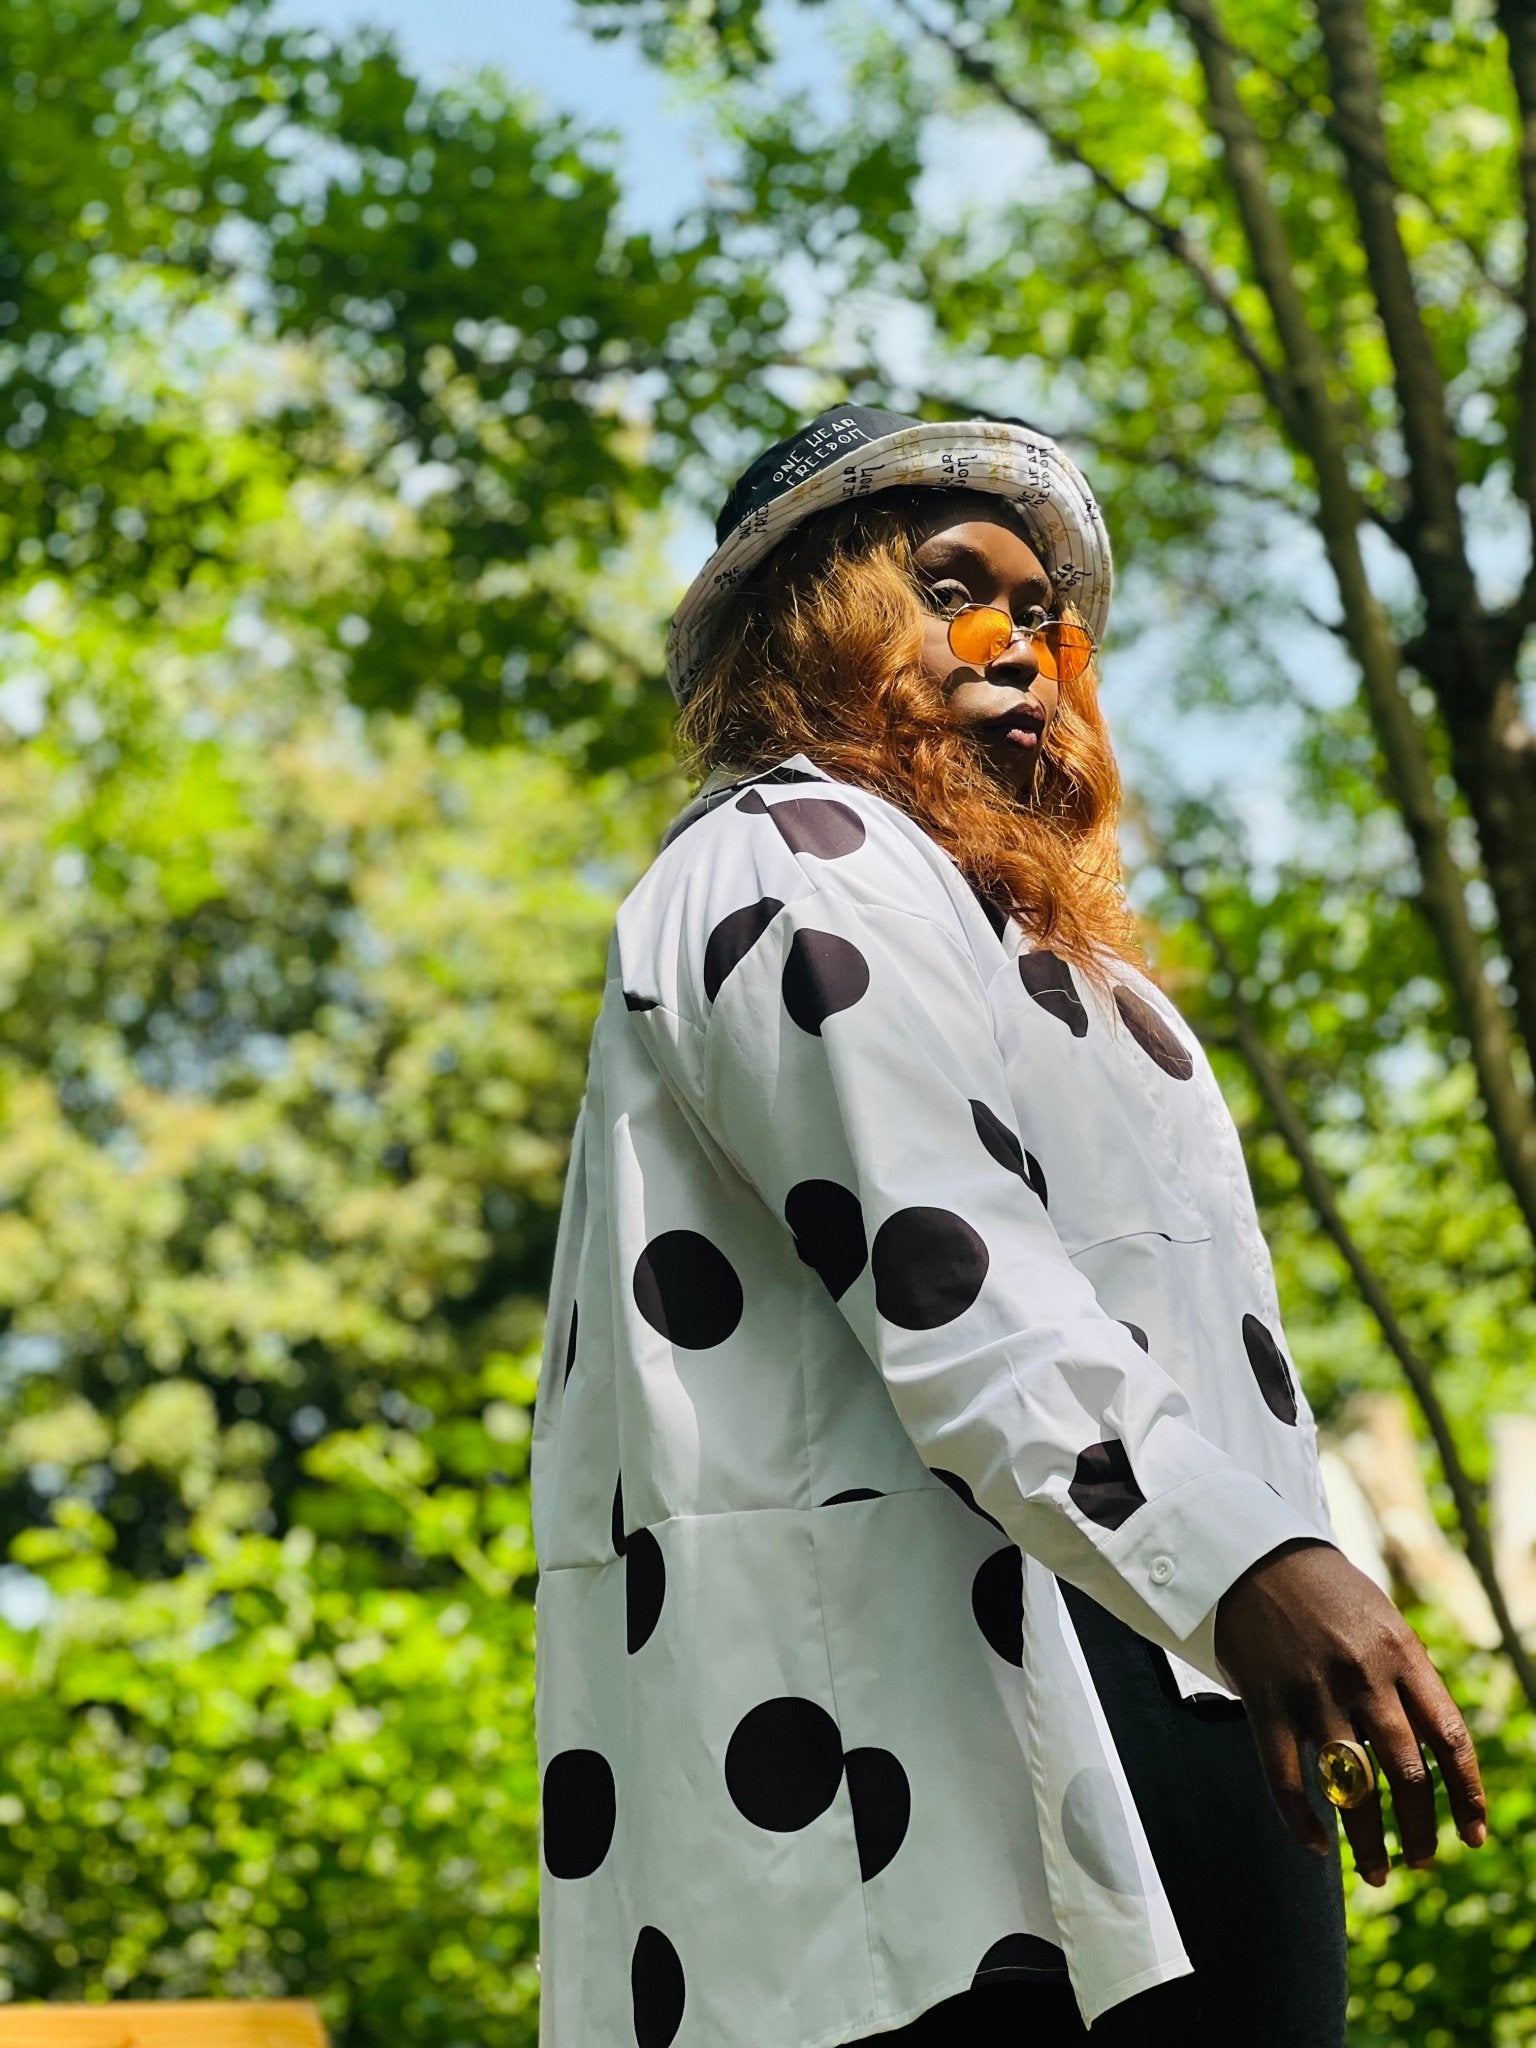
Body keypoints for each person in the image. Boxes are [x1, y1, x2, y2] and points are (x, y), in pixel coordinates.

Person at [530, 407, 1487, 2048]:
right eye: (950, 587)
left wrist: (1257, 1566)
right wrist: (1259, 1561)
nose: (1016, 640)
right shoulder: (789, 857)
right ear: (811, 622)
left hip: (1171, 1652)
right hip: (931, 1733)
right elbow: (950, 1279)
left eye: (1041, 611)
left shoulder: (1046, 947)